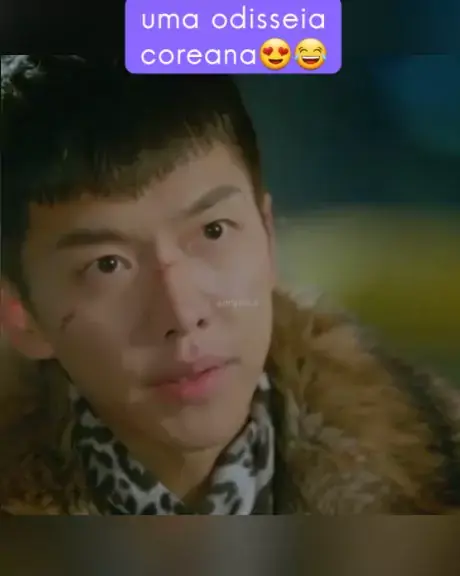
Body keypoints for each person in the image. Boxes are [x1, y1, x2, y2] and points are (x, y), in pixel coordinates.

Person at [1, 55, 459, 516]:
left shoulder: (435, 468)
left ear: (268, 237)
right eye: (107, 265)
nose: (183, 315)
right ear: (21, 315)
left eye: (214, 231)